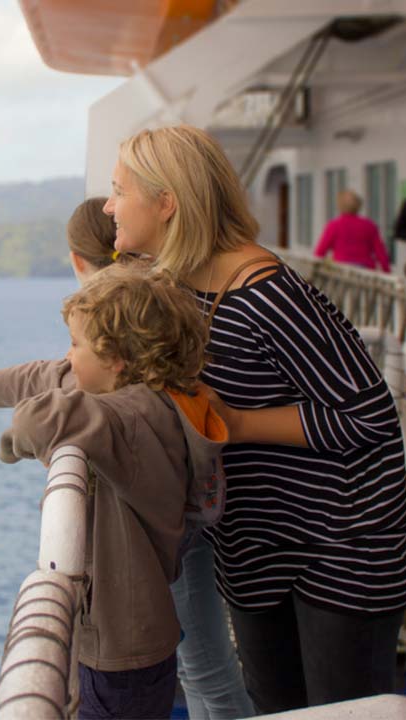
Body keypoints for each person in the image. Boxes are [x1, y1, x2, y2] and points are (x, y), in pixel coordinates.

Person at [104, 125, 406, 714]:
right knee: (274, 707)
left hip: (339, 546)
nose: (108, 204)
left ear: (167, 201)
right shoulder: (182, 287)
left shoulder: (264, 294)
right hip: (255, 544)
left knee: (337, 709)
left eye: (119, 190)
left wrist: (239, 424)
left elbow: (368, 415)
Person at [0, 262, 227, 720]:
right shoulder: (138, 394)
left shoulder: (131, 419)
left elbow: (36, 418)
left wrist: (10, 446)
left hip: (123, 651)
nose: (67, 356)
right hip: (130, 637)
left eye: (76, 343)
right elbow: (39, 378)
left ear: (116, 359)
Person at [67, 197, 254, 720]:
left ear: (79, 261)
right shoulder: (159, 307)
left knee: (207, 669)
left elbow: (49, 387)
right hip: (193, 506)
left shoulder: (114, 330)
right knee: (203, 667)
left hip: (170, 523)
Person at [313, 190, 391, 272]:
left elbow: (320, 251)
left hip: (341, 270)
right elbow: (380, 252)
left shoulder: (334, 225)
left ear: (340, 205)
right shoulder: (369, 225)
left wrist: (313, 269)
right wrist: (387, 271)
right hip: (366, 272)